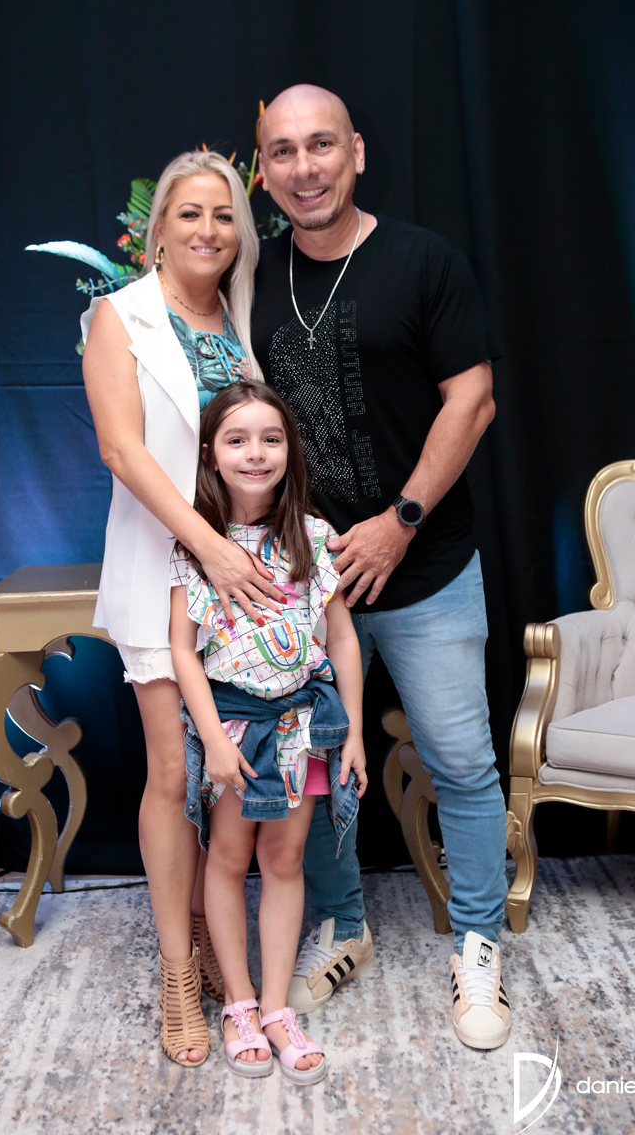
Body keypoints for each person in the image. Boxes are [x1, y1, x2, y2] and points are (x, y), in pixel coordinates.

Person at [251, 84, 512, 1050]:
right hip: (307, 583)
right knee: (315, 765)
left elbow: (472, 400)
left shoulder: (422, 259)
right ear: (263, 171)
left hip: (425, 564)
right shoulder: (253, 276)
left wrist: (398, 522)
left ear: (356, 152)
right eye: (284, 152)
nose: (305, 168)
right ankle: (342, 925)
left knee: (461, 760)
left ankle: (478, 946)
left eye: (321, 145)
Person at [81, 150, 287, 1067]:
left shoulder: (239, 320)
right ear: (157, 226)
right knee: (173, 773)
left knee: (226, 774)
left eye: (225, 214)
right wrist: (209, 547)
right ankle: (176, 971)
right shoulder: (118, 316)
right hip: (166, 569)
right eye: (191, 213)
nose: (209, 229)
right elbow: (123, 452)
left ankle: (208, 938)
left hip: (244, 584)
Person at [170, 379, 367, 1083]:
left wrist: (353, 733)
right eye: (237, 439)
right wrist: (213, 741)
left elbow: (340, 639)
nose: (255, 453)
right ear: (211, 454)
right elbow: (183, 651)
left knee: (284, 862)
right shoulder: (196, 542)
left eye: (271, 439)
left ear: (289, 450)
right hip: (233, 727)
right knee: (228, 860)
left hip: (302, 728)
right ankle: (239, 1005)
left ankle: (278, 1008)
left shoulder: (311, 537)